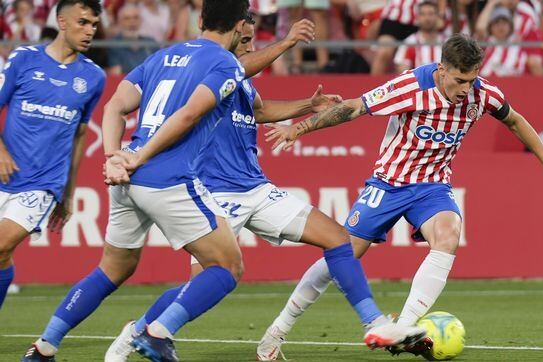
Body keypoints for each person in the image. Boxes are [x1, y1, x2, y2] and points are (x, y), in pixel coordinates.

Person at [104, 16, 427, 362]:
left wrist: (308, 105)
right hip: (217, 192)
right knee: (203, 285)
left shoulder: (240, 83)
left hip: (256, 188)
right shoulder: (216, 67)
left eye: (251, 41)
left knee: (336, 238)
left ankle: (373, 323)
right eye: (243, 41)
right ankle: (141, 330)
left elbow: (260, 111)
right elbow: (240, 65)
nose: (249, 48)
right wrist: (286, 43)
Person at [260, 33, 543, 359]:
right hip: (388, 184)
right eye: (460, 80)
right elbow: (355, 108)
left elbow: (515, 120)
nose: (466, 88)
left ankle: (403, 328)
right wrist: (299, 128)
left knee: (449, 234)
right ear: (442, 69)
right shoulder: (410, 87)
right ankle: (276, 332)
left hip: (432, 187)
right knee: (340, 259)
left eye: (472, 79)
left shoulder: (484, 94)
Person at [21, 1, 250, 361]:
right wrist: (138, 157)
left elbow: (114, 106)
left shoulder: (164, 55)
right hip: (166, 176)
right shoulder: (225, 63)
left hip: (128, 178)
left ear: (201, 19)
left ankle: (44, 347)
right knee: (227, 266)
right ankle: (157, 333)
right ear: (239, 27)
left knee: (114, 267)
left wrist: (116, 156)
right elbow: (189, 114)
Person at [0, 0, 105, 312]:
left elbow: (79, 136)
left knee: (2, 245)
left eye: (94, 25)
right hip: (6, 171)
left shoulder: (93, 77)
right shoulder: (24, 59)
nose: (89, 32)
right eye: (82, 23)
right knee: (3, 256)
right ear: (61, 21)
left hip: (42, 183)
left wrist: (68, 194)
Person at [394, 0, 443, 73]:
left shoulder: (447, 43)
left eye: (431, 14)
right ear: (417, 18)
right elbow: (403, 73)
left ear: (438, 16)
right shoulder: (409, 43)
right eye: (423, 14)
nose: (427, 18)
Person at [107, 4, 157, 75]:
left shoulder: (151, 43)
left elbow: (157, 70)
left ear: (141, 20)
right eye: (127, 18)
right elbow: (116, 72)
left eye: (136, 18)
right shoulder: (114, 45)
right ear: (120, 22)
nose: (132, 22)